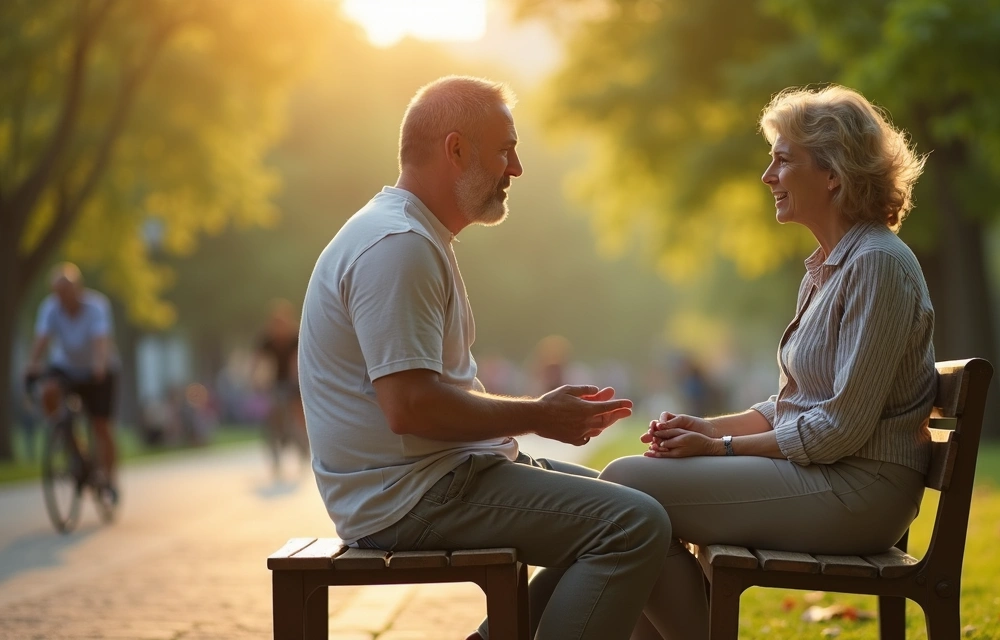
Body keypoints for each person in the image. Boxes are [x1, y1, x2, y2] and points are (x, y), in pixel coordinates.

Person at [297, 75, 671, 640]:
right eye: (505, 149)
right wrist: (539, 416)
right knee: (633, 527)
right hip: (407, 497)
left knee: (634, 506)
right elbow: (411, 408)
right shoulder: (397, 246)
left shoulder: (414, 236)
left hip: (433, 478)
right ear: (455, 149)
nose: (516, 168)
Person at [599, 85, 936, 639]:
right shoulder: (828, 268)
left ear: (833, 173)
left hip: (860, 492)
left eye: (783, 159)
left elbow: (839, 427)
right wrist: (708, 428)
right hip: (830, 476)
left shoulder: (877, 264)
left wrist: (721, 447)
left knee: (628, 488)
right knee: (636, 501)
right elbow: (793, 404)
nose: (767, 175)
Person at [25, 262, 122, 500]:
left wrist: (98, 365)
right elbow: (42, 338)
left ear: (78, 288)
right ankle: (66, 438)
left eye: (66, 292)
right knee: (49, 390)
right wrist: (32, 364)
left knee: (101, 425)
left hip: (98, 370)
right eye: (57, 293)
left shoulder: (96, 306)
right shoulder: (50, 308)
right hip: (66, 367)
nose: (62, 298)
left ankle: (109, 479)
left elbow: (101, 339)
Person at [255, 298, 306, 470]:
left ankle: (303, 447)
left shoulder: (296, 337)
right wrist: (258, 380)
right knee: (272, 417)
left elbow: (297, 361)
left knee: (298, 416)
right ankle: (275, 457)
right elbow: (259, 362)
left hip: (294, 381)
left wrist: (296, 381)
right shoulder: (267, 340)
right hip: (275, 382)